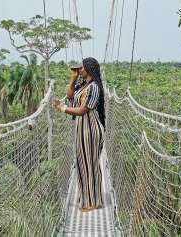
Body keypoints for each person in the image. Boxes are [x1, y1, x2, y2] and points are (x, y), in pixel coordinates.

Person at [53, 57, 106, 212]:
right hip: (81, 129)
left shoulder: (94, 87)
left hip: (90, 130)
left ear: (89, 69)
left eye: (81, 68)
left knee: (91, 164)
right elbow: (70, 96)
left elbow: (83, 110)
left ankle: (93, 201)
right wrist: (73, 79)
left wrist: (62, 108)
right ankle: (86, 197)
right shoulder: (84, 85)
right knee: (82, 163)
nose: (79, 70)